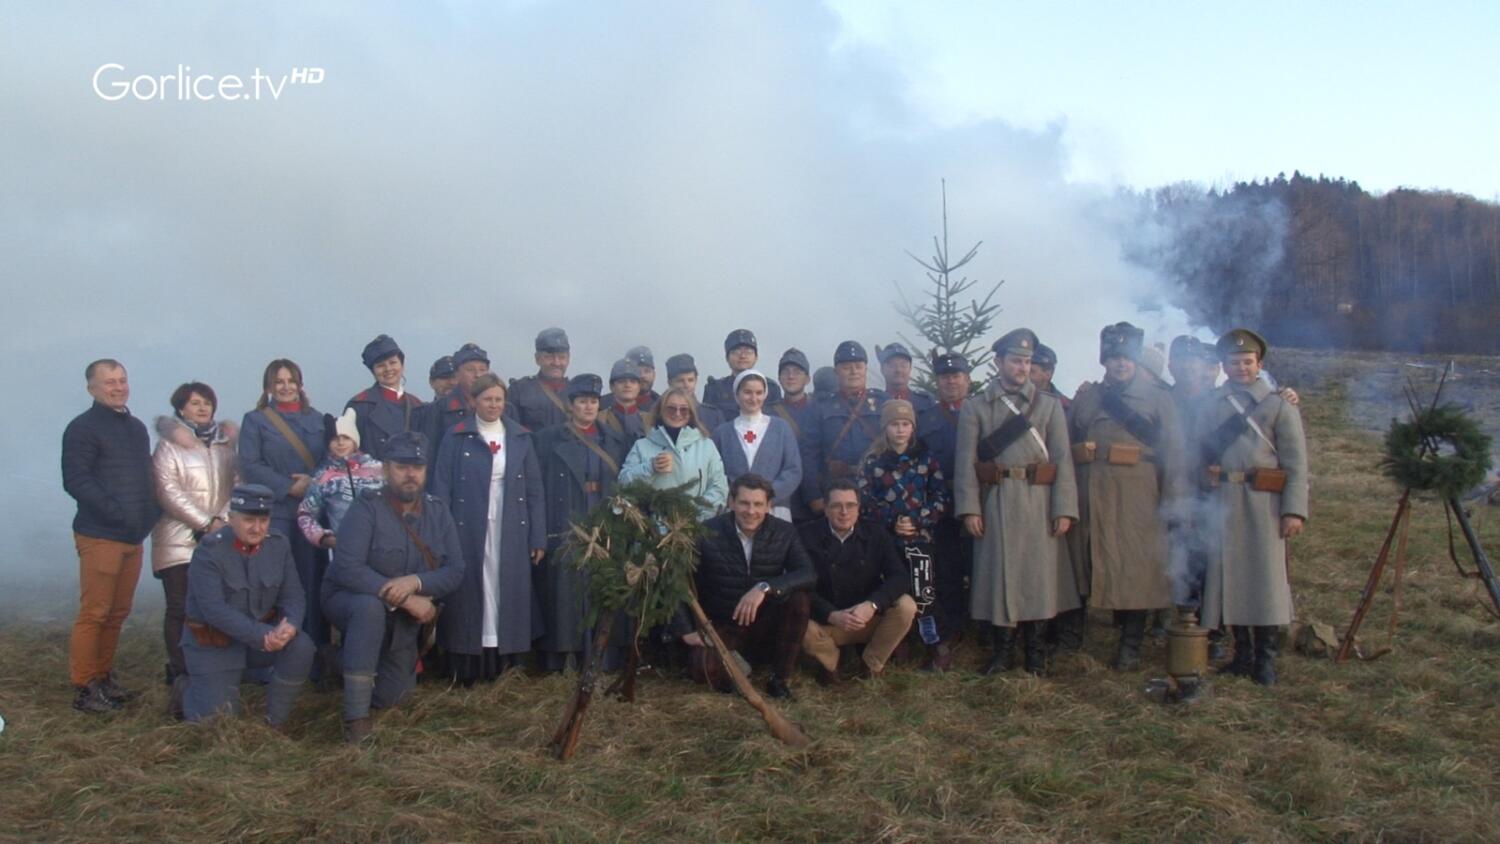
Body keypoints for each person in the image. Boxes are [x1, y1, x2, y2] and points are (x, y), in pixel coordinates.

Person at [323, 431, 465, 742]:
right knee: (369, 608)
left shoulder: (438, 511)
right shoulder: (367, 507)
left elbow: (456, 570)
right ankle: (356, 718)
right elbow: (347, 568)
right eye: (401, 466)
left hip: (399, 619)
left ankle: (339, 664)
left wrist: (416, 583)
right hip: (351, 600)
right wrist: (405, 599)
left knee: (395, 696)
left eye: (417, 467)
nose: (410, 474)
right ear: (386, 470)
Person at [955, 329, 1080, 676]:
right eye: (1016, 360)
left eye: (1027, 361)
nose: (1023, 367)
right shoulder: (976, 407)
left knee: (1038, 579)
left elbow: (1062, 461)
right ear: (998, 363)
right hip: (997, 500)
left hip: (1039, 502)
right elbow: (965, 462)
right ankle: (1003, 651)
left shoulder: (1049, 406)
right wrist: (970, 508)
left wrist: (1064, 509)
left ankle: (1035, 653)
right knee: (999, 576)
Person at [1068, 323, 1186, 671]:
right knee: (1086, 560)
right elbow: (1071, 440)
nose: (1120, 364)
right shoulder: (1088, 397)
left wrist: (1173, 500)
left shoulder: (1159, 399)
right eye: (1114, 358)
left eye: (1127, 357)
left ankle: (1130, 645)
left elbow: (1175, 453)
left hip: (1139, 492)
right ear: (1105, 360)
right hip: (1092, 490)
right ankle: (1073, 638)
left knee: (1137, 567)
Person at [1195, 329, 1309, 686]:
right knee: (1231, 576)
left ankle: (1265, 659)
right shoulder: (1212, 403)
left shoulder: (1278, 405)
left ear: (1259, 364)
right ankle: (1241, 653)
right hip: (1225, 500)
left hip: (1264, 503)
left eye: (1248, 362)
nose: (1241, 368)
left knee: (1264, 579)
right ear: (1224, 366)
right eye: (1234, 362)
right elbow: (1200, 450)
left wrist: (1294, 511)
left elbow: (1296, 463)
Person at [432, 373, 547, 681]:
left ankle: (507, 660)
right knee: (471, 587)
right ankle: (469, 660)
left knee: (506, 585)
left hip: (511, 525)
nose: (493, 405)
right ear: (474, 401)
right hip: (467, 526)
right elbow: (441, 488)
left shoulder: (520, 437)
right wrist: (442, 534)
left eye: (498, 399)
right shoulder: (455, 436)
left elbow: (535, 490)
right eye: (487, 399)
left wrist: (537, 536)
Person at [62, 359, 161, 713]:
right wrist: (116, 514)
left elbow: (145, 476)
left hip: (132, 537)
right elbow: (76, 480)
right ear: (92, 388)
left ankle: (103, 677)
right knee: (95, 611)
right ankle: (85, 686)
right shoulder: (82, 429)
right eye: (109, 382)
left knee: (118, 611)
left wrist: (150, 514)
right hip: (100, 535)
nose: (118, 387)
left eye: (122, 380)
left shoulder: (135, 428)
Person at [179, 484, 313, 729]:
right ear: (231, 519)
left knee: (301, 646)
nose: (257, 528)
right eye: (249, 520)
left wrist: (290, 626)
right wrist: (263, 635)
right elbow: (213, 610)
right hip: (215, 645)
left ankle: (275, 722)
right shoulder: (209, 551)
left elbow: (294, 596)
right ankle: (186, 689)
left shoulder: (278, 545)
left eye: (263, 520)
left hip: (259, 643)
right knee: (218, 724)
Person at [677, 474, 815, 699]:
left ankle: (779, 679)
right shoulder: (706, 532)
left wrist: (764, 587)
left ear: (769, 506)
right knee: (703, 670)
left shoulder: (785, 532)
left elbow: (807, 573)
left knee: (799, 599)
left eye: (758, 504)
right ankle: (738, 668)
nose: (751, 511)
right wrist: (686, 630)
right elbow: (678, 580)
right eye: (744, 503)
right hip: (723, 622)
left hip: (765, 622)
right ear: (731, 502)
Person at [533, 373, 633, 672]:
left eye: (593, 402)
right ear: (571, 405)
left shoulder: (612, 439)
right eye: (582, 402)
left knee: (601, 587)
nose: (588, 407)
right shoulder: (549, 439)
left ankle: (603, 656)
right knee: (566, 594)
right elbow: (537, 486)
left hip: (603, 518)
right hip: (567, 517)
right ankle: (565, 658)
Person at [150, 381, 238, 716]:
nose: (202, 408)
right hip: (178, 540)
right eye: (194, 403)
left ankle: (211, 667)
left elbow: (238, 482)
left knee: (212, 605)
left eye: (207, 403)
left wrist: (224, 520)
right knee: (180, 606)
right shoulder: (169, 447)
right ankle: (181, 670)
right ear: (180, 409)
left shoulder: (225, 444)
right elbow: (167, 490)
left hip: (219, 537)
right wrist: (204, 522)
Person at [238, 359, 330, 654]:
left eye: (291, 381)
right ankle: (271, 652)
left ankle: (313, 651)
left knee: (312, 580)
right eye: (279, 382)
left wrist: (311, 482)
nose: (286, 387)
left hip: (312, 512)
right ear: (268, 387)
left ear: (300, 384)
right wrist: (289, 486)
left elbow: (332, 459)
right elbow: (250, 464)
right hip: (275, 512)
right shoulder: (256, 420)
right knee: (274, 581)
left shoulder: (318, 420)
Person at [857, 399, 951, 669]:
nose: (900, 430)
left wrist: (918, 522)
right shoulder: (872, 461)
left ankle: (937, 646)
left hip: (919, 540)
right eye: (895, 424)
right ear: (885, 428)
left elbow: (941, 497)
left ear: (913, 428)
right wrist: (891, 521)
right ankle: (898, 644)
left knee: (924, 593)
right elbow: (864, 501)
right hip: (885, 541)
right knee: (891, 593)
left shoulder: (926, 459)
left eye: (906, 424)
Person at [798, 481, 916, 684]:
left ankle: (871, 664)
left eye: (850, 505)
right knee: (796, 620)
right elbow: (800, 585)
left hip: (866, 619)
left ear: (858, 509)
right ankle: (831, 663)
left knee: (906, 606)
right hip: (827, 622)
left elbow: (899, 577)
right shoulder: (805, 535)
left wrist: (872, 605)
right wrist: (831, 614)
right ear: (825, 509)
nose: (844, 512)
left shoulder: (876, 533)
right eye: (836, 505)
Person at [914, 352, 974, 668]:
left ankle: (983, 624)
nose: (951, 381)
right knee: (948, 568)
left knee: (981, 564)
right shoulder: (927, 419)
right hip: (942, 502)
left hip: (978, 500)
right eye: (945, 377)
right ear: (937, 382)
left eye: (957, 376)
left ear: (968, 379)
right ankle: (950, 629)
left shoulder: (981, 412)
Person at [802, 340, 886, 515]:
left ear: (865, 368)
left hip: (879, 489)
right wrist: (814, 496)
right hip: (835, 493)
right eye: (847, 367)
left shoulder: (883, 403)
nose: (854, 371)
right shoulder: (820, 407)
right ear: (836, 372)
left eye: (858, 366)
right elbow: (809, 454)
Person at [619, 386, 729, 519]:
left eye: (683, 409)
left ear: (691, 413)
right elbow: (623, 484)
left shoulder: (706, 446)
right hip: (654, 532)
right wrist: (649, 467)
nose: (677, 414)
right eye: (671, 408)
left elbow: (719, 488)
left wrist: (693, 515)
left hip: (697, 527)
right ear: (660, 410)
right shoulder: (642, 446)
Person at [712, 370, 802, 522]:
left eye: (759, 392)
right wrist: (735, 498)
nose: (754, 398)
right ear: (737, 394)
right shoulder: (722, 433)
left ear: (765, 395)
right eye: (747, 392)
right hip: (736, 510)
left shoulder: (781, 428)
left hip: (774, 508)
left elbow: (793, 470)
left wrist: (767, 496)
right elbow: (715, 473)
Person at [297, 408, 384, 551]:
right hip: (346, 548)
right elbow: (305, 513)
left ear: (355, 440)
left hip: (382, 545)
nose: (340, 443)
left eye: (346, 438)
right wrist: (323, 537)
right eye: (335, 439)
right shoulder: (323, 477)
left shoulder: (379, 469)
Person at [345, 334, 425, 461]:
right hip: (373, 478)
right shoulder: (359, 405)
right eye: (380, 365)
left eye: (393, 362)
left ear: (402, 366)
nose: (388, 369)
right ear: (373, 371)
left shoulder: (418, 406)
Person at [421, 342, 491, 462]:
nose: (478, 375)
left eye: (482, 370)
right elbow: (429, 455)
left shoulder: (503, 409)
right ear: (457, 374)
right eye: (470, 370)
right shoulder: (437, 410)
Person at [703, 329, 783, 420]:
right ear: (727, 358)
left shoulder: (771, 388)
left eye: (748, 352)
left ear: (756, 357)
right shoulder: (715, 389)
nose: (742, 356)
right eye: (736, 352)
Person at [508, 327, 573, 432]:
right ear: (537, 359)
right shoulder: (519, 391)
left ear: (568, 359)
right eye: (549, 357)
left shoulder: (578, 393)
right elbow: (510, 430)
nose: (556, 363)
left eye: (561, 357)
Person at [664, 353, 724, 431]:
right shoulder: (661, 415)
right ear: (670, 383)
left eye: (690, 380)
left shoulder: (713, 416)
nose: (686, 385)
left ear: (696, 381)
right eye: (680, 381)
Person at [876, 342, 935, 411]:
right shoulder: (876, 403)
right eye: (892, 365)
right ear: (882, 369)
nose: (898, 370)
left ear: (910, 368)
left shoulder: (925, 401)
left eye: (903, 365)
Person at [600, 358, 647, 440]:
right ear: (612, 386)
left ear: (639, 387)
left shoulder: (650, 421)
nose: (627, 385)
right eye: (621, 381)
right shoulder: (599, 419)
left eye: (633, 381)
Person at [1029, 343, 1071, 412]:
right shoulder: (1010, 399)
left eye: (1031, 371)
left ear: (1048, 374)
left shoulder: (1065, 407)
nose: (1024, 376)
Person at [626, 346, 659, 411]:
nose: (642, 375)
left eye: (647, 371)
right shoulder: (604, 404)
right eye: (637, 371)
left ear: (654, 375)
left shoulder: (663, 407)